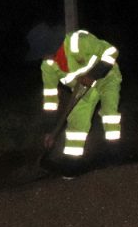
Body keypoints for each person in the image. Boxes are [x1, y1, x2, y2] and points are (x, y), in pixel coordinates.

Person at [40, 29, 122, 162]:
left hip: (107, 77)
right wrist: (50, 130)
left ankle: (115, 156)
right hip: (83, 88)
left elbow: (111, 51)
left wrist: (93, 75)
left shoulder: (77, 43)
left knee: (109, 114)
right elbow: (50, 100)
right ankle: (72, 165)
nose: (42, 57)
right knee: (77, 121)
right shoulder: (47, 66)